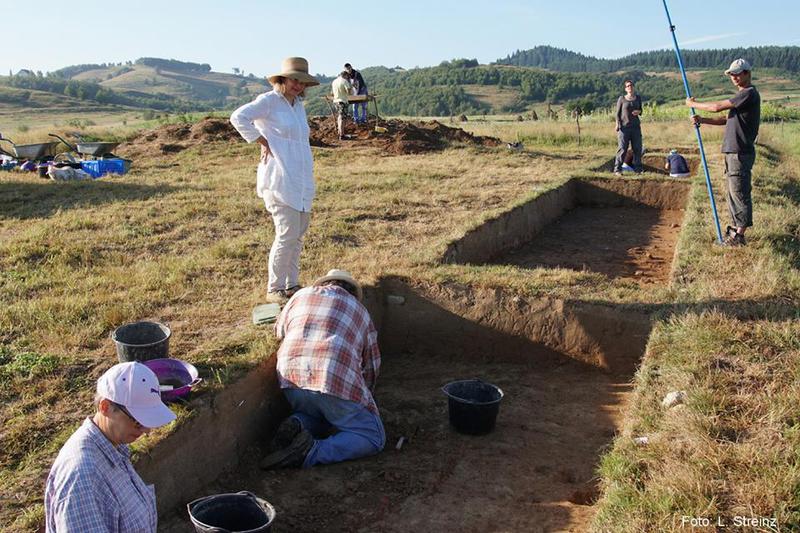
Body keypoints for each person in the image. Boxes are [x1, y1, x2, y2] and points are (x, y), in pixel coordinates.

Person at [261, 269, 385, 469]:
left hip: (290, 379)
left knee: (324, 414)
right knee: (372, 436)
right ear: (352, 292)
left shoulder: (299, 296)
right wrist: (366, 399)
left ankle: (298, 423)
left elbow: (279, 331)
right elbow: (371, 366)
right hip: (330, 376)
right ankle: (310, 452)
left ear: (325, 283)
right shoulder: (360, 311)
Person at [44, 362, 177, 532]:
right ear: (105, 407)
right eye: (137, 421)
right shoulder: (82, 478)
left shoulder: (113, 446)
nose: (146, 430)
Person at [230, 57, 320, 303]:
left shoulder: (297, 106)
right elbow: (238, 117)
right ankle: (275, 288)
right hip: (279, 177)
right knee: (286, 233)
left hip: (300, 177)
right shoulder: (269, 101)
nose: (298, 86)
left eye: (302, 82)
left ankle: (292, 284)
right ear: (283, 79)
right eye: (294, 80)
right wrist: (261, 140)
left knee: (299, 232)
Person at [686, 58, 760, 247]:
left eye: (737, 73)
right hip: (732, 152)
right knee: (732, 192)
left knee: (739, 192)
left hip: (740, 152)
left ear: (746, 73)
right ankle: (736, 230)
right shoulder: (742, 98)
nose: (733, 77)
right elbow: (724, 119)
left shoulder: (748, 93)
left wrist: (693, 104)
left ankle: (739, 236)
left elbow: (716, 106)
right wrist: (702, 119)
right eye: (731, 74)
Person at [614, 79, 643, 176]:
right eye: (627, 86)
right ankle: (617, 169)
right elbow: (617, 113)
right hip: (624, 128)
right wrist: (617, 124)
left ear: (633, 87)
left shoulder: (638, 98)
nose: (629, 87)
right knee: (622, 148)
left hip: (635, 127)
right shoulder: (622, 99)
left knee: (637, 148)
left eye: (631, 85)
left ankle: (638, 169)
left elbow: (641, 110)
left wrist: (638, 112)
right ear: (625, 88)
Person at [331, 71, 353, 140]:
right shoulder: (344, 81)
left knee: (339, 117)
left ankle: (339, 132)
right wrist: (351, 88)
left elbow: (332, 93)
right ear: (345, 75)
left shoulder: (334, 81)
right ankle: (342, 135)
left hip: (335, 101)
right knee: (342, 118)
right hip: (342, 101)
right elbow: (349, 92)